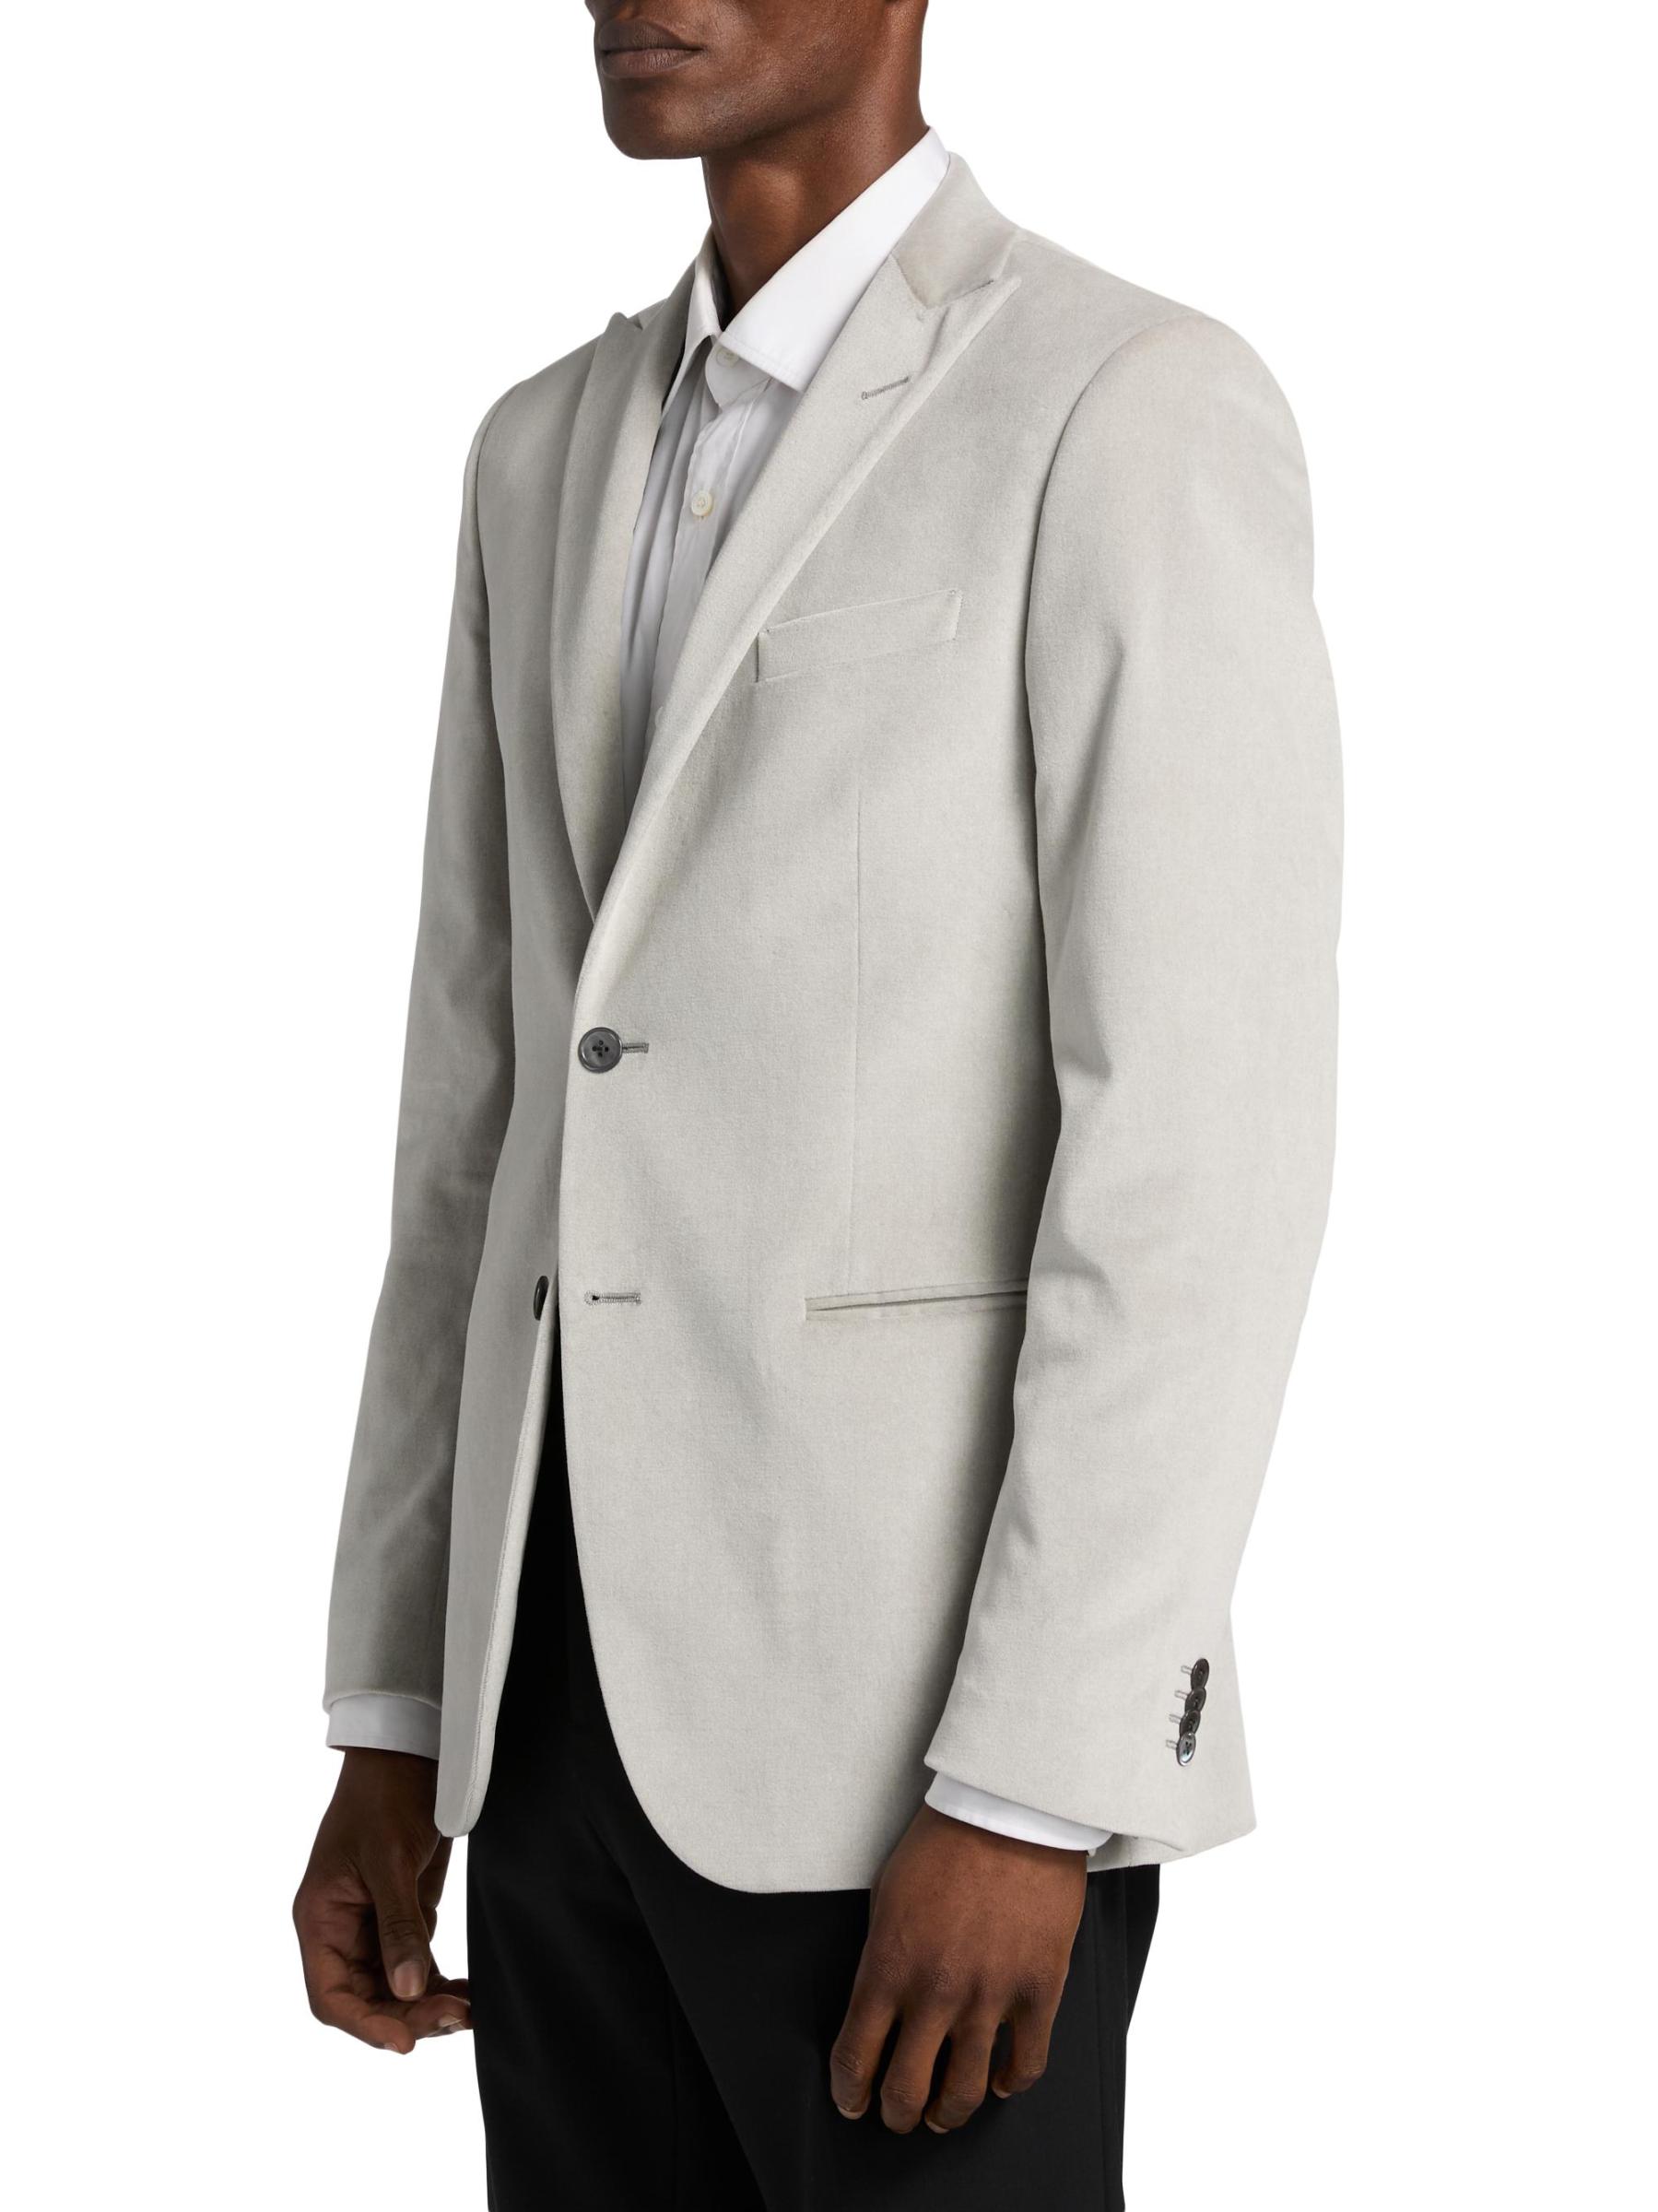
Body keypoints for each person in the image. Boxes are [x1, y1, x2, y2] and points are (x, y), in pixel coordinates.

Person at [293, 2, 1341, 2204]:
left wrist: (1038, 1784)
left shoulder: (1120, 403)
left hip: (915, 1765)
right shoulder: (534, 450)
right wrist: (401, 1714)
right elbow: (476, 1123)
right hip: (548, 1736)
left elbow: (1197, 1154)